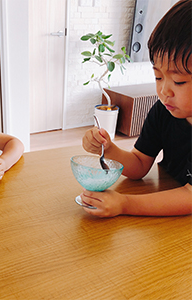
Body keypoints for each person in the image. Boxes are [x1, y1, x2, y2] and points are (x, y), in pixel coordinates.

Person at [80, 0, 192, 217]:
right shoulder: (163, 112)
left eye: (178, 81)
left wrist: (124, 204)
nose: (164, 90)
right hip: (168, 200)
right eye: (158, 76)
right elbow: (139, 165)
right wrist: (109, 148)